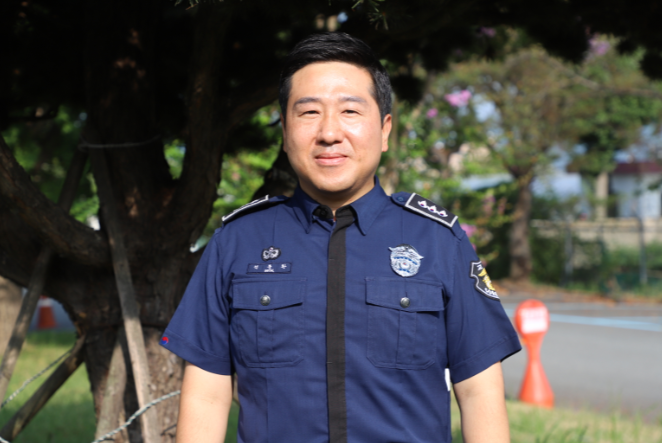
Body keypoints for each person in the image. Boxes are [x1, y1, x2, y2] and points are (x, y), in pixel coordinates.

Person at [161, 32, 521, 443]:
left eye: (350, 111)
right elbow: (207, 395)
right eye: (309, 112)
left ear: (385, 130)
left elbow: (478, 392)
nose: (329, 132)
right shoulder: (236, 242)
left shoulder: (439, 241)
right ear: (285, 132)